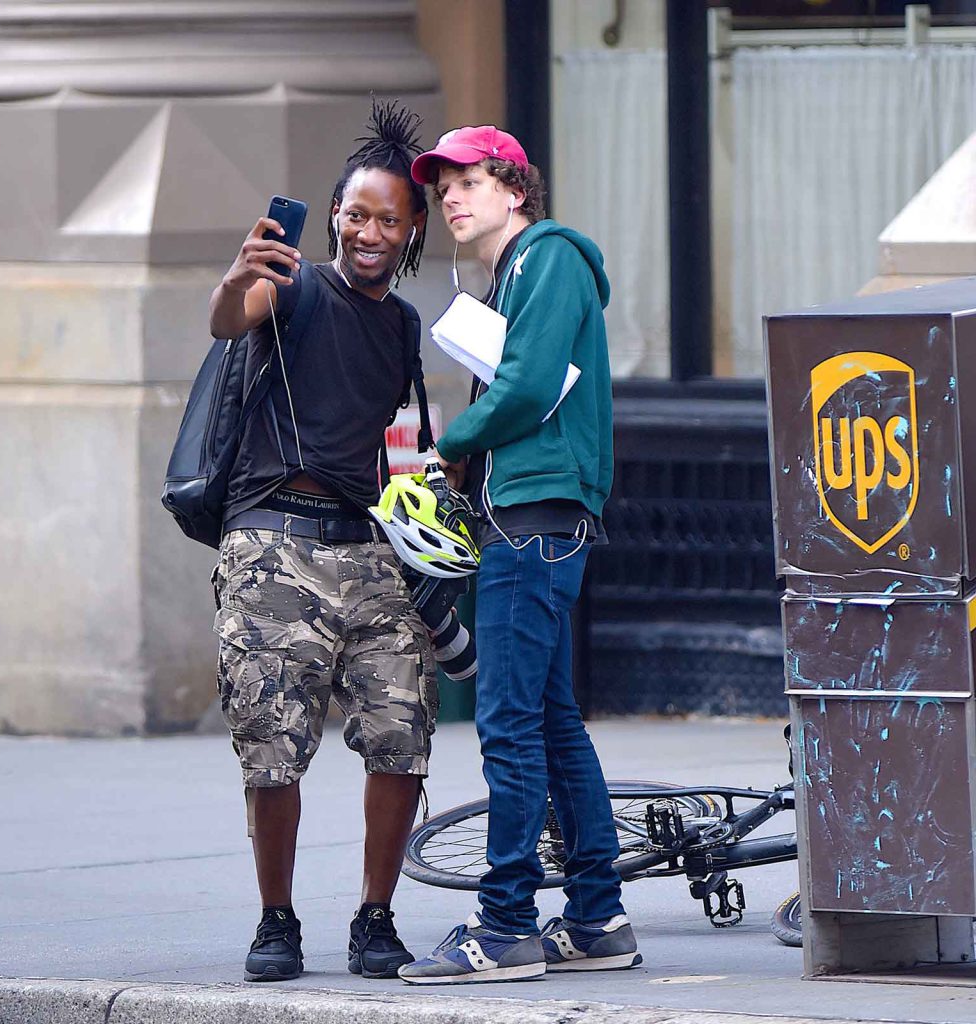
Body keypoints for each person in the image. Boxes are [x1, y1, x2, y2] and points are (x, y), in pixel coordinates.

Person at [398, 126, 640, 984]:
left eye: (470, 181)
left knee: (506, 720)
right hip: (533, 516)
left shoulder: (547, 260)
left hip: (533, 521)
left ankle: (502, 926)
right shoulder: (515, 274)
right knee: (549, 721)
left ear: (516, 190)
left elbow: (531, 384)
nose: (452, 198)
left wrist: (451, 446)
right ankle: (599, 917)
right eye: (444, 188)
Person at [206, 100, 437, 983]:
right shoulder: (294, 286)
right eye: (355, 212)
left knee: (403, 734)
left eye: (388, 217)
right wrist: (238, 277)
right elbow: (231, 319)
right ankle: (277, 921)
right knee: (273, 741)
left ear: (411, 228)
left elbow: (392, 441)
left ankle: (375, 918)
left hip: (370, 550)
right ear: (333, 213)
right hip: (273, 548)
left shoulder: (404, 325)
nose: (368, 229)